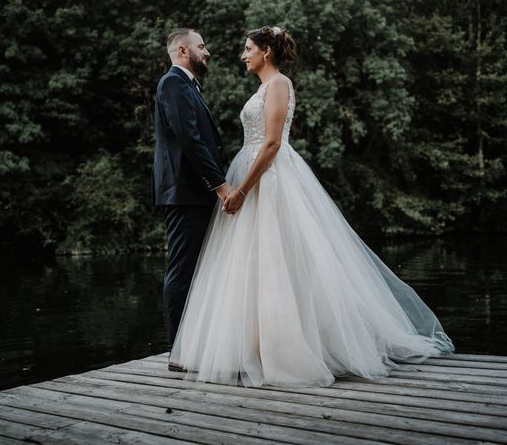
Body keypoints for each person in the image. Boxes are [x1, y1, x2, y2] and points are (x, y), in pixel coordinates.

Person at [169, 26, 454, 388]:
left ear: (266, 52)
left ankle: (289, 346)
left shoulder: (279, 85)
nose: (243, 55)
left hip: (268, 180)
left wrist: (241, 190)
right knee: (249, 265)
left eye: (248, 48)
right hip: (250, 174)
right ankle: (251, 347)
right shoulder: (262, 87)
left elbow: (271, 144)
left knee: (279, 262)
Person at [152, 29, 232, 368]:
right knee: (183, 270)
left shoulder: (187, 85)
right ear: (183, 50)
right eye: (201, 46)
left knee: (198, 269)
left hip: (194, 193)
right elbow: (189, 138)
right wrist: (219, 184)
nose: (207, 51)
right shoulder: (173, 83)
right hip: (186, 193)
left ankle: (196, 344)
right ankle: (179, 352)